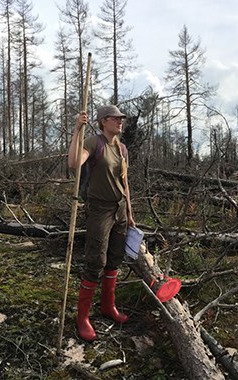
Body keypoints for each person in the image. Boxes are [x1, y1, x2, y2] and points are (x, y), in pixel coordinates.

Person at [67, 104, 135, 342]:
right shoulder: (94, 143)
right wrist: (77, 130)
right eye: (116, 118)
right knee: (96, 260)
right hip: (99, 210)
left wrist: (129, 212)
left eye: (121, 119)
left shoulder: (122, 149)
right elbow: (75, 164)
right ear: (103, 121)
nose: (120, 121)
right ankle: (83, 318)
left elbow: (125, 183)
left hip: (118, 211)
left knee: (114, 259)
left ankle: (108, 306)